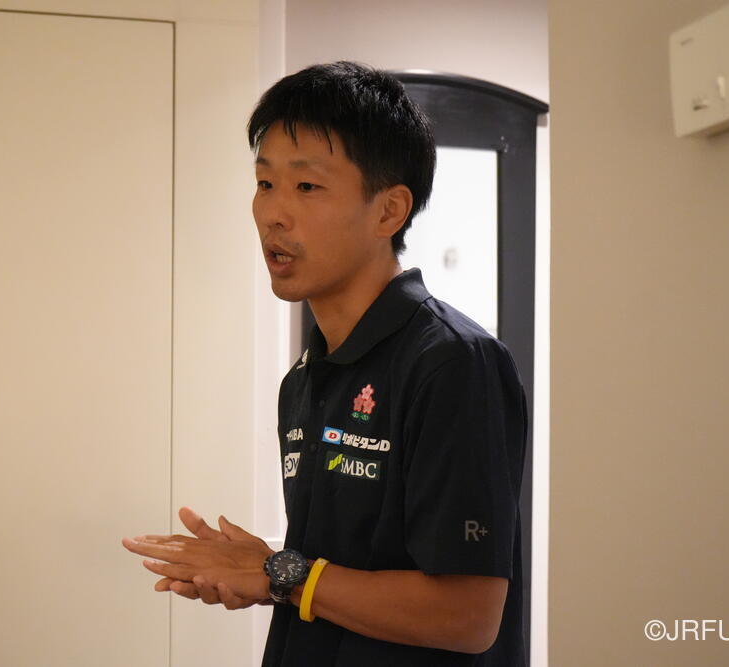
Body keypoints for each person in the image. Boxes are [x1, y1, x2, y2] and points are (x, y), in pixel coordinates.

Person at [122, 60, 528, 666]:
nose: (273, 213)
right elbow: (327, 573)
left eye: (306, 187)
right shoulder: (307, 374)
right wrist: (261, 574)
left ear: (389, 211)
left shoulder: (452, 362)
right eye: (265, 183)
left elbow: (467, 616)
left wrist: (277, 572)